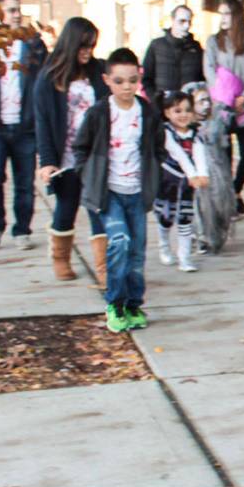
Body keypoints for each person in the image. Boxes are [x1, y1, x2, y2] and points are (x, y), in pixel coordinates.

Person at [73, 47, 166, 333]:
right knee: (120, 242)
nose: (127, 87)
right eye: (119, 81)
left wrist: (153, 178)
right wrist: (88, 177)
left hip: (136, 192)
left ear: (140, 78)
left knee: (137, 252)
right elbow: (81, 148)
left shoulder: (148, 113)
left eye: (132, 80)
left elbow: (158, 149)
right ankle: (114, 302)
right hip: (108, 191)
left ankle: (133, 304)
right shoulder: (100, 113)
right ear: (107, 80)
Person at [34, 17, 108, 283]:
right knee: (66, 208)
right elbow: (42, 122)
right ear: (71, 43)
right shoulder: (49, 78)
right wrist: (47, 161)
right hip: (65, 159)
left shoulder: (99, 72)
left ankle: (104, 269)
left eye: (92, 45)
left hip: (95, 157)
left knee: (99, 209)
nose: (88, 51)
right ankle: (60, 258)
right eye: (83, 46)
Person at [0, 0, 48, 251]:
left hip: (25, 126)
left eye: (18, 10)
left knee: (24, 183)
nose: (17, 15)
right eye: (11, 11)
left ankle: (22, 230)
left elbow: (44, 81)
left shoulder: (33, 44)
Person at [204, 0, 244, 218]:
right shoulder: (213, 42)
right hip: (222, 107)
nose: (223, 18)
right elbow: (208, 70)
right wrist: (221, 97)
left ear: (236, 16)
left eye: (227, 13)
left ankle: (235, 192)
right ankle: (228, 199)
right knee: (224, 156)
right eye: (221, 14)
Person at [153, 90, 208, 272]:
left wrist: (203, 174)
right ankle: (164, 245)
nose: (183, 115)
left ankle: (184, 257)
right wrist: (193, 174)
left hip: (186, 184)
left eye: (187, 110)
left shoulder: (195, 134)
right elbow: (179, 154)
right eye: (177, 111)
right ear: (168, 113)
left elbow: (199, 154)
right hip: (168, 181)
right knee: (166, 217)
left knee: (185, 217)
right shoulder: (166, 132)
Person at [182, 80, 236, 253]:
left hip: (218, 170)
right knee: (200, 204)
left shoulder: (217, 121)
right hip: (197, 172)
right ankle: (201, 235)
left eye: (208, 101)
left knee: (221, 204)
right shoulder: (185, 126)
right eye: (200, 101)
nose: (206, 105)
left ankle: (216, 233)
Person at [142, 4, 204, 102]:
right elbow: (146, 78)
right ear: (172, 20)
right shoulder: (156, 45)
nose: (186, 26)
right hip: (162, 107)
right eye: (182, 21)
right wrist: (155, 99)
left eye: (189, 21)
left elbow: (202, 78)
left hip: (188, 108)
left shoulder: (196, 48)